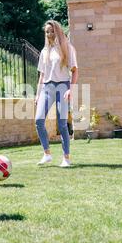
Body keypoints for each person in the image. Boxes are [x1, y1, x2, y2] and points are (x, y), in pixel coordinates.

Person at [35, 20, 79, 167]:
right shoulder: (44, 51)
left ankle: (66, 158)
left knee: (62, 124)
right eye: (47, 31)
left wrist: (70, 89)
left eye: (52, 31)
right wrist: (37, 94)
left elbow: (74, 71)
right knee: (38, 120)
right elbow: (41, 75)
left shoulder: (67, 48)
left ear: (58, 31)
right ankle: (46, 154)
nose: (49, 34)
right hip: (47, 88)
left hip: (62, 87)